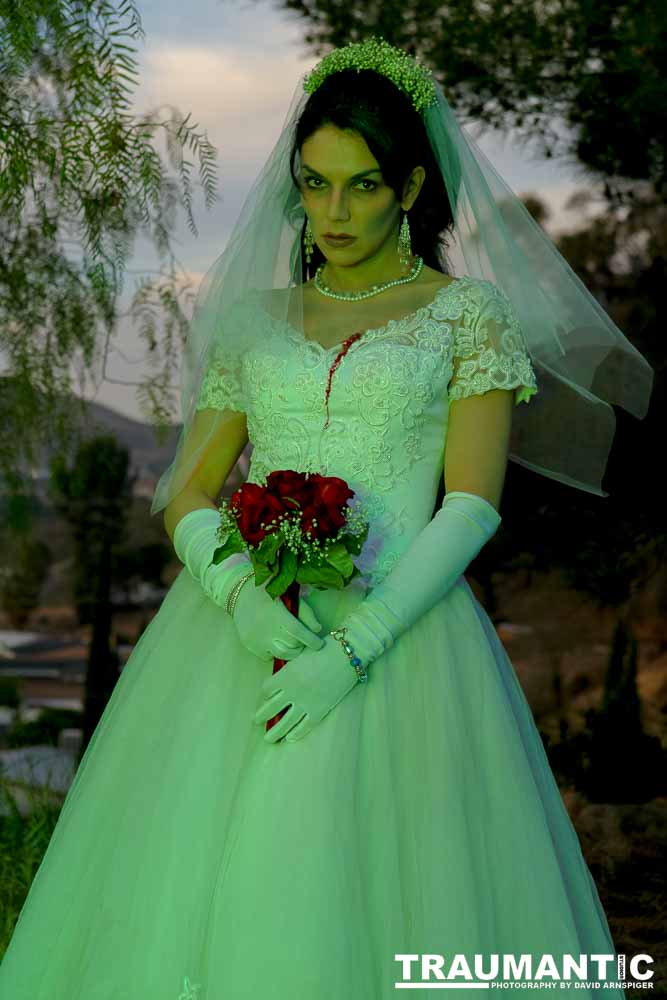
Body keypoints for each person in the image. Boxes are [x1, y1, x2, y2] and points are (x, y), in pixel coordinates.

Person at [0, 38, 651, 1000]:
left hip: (404, 646)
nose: (333, 212)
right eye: (313, 184)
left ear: (411, 186)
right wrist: (238, 598)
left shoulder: (466, 315)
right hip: (230, 642)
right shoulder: (253, 320)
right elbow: (184, 489)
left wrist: (352, 652)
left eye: (360, 185)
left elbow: (471, 504)